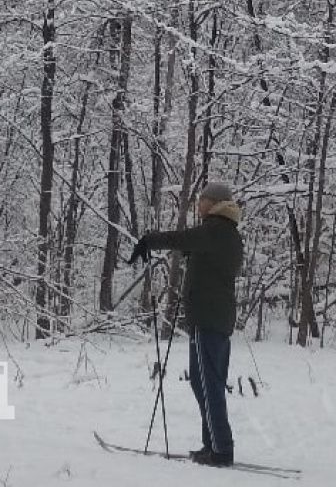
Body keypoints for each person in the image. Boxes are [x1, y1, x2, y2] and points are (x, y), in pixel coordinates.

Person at [132, 181, 243, 467]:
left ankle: (221, 450)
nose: (198, 204)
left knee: (208, 384)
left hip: (209, 318)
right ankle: (212, 445)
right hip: (212, 318)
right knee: (202, 382)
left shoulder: (215, 230)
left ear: (214, 203)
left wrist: (148, 241)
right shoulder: (225, 232)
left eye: (202, 199)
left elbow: (181, 238)